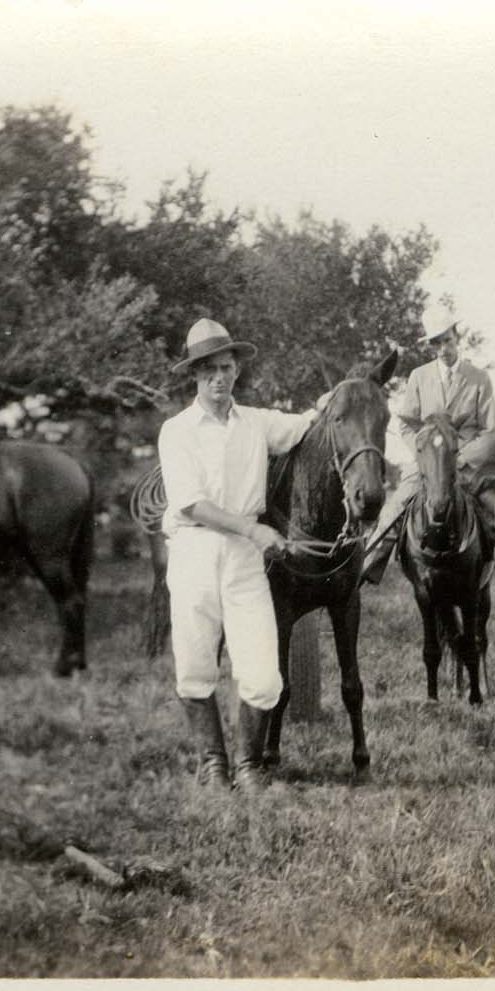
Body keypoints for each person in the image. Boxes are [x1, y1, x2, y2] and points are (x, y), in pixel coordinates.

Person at [158, 318, 317, 792]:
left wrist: (333, 402)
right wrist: (254, 528)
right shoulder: (176, 431)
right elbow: (191, 503)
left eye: (226, 368)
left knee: (264, 674)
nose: (218, 378)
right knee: (195, 667)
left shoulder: (257, 423)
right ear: (194, 375)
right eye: (208, 370)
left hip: (244, 560)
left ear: (237, 371)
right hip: (194, 551)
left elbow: (307, 423)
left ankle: (248, 766)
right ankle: (213, 764)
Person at [359, 313, 495, 584]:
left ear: (457, 338)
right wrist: (425, 456)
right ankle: (365, 568)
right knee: (396, 506)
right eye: (436, 344)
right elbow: (406, 424)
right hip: (427, 463)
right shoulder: (419, 376)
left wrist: (461, 457)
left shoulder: (479, 378)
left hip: (466, 464)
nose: (443, 349)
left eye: (447, 341)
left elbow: (491, 432)